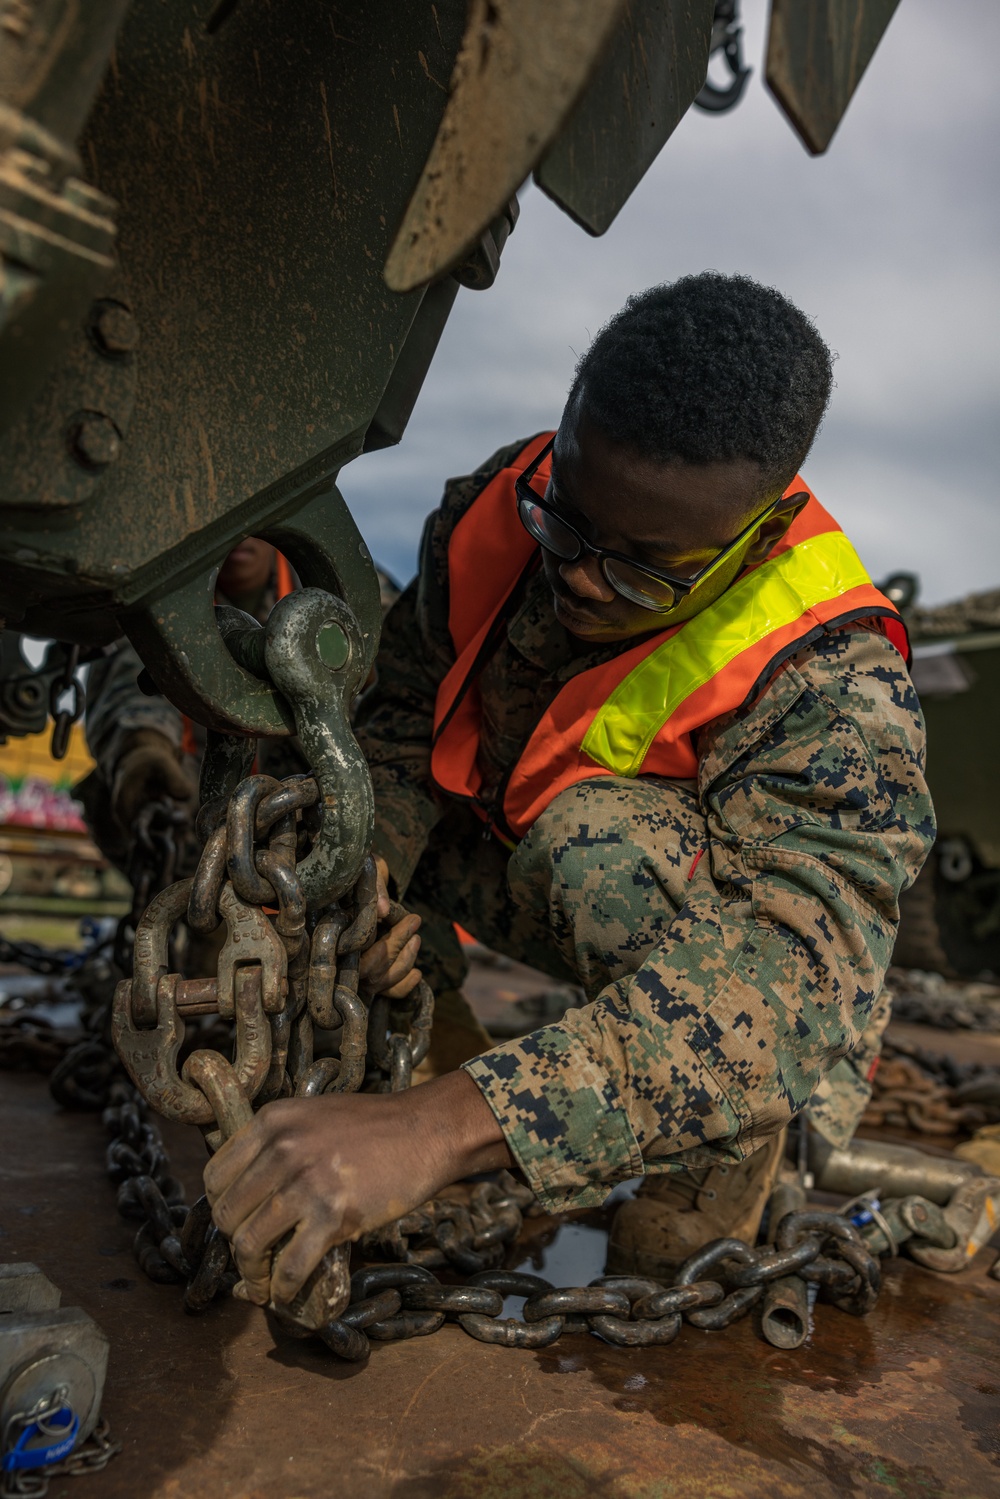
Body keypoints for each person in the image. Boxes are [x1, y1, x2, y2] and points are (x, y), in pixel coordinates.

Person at [202, 273, 934, 1307]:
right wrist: (373, 872)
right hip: (511, 840)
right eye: (570, 524)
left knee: (588, 846)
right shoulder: (503, 505)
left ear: (754, 532)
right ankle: (428, 1034)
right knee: (331, 799)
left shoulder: (834, 681)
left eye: (641, 569)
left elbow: (794, 987)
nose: (583, 578)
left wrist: (443, 1126)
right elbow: (406, 717)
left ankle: (720, 1146)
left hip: (740, 994)